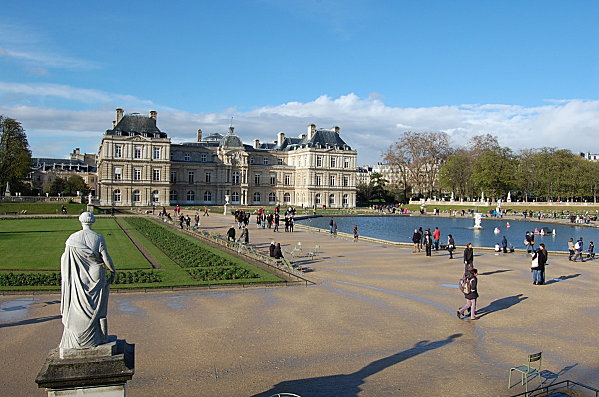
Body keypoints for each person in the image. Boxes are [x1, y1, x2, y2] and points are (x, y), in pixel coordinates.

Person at [60, 212, 116, 351]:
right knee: (98, 307)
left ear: (81, 221)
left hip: (79, 274)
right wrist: (113, 270)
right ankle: (100, 337)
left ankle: (78, 336)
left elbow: (64, 259)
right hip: (95, 272)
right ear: (93, 221)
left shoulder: (72, 238)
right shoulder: (98, 237)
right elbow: (105, 258)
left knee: (77, 302)